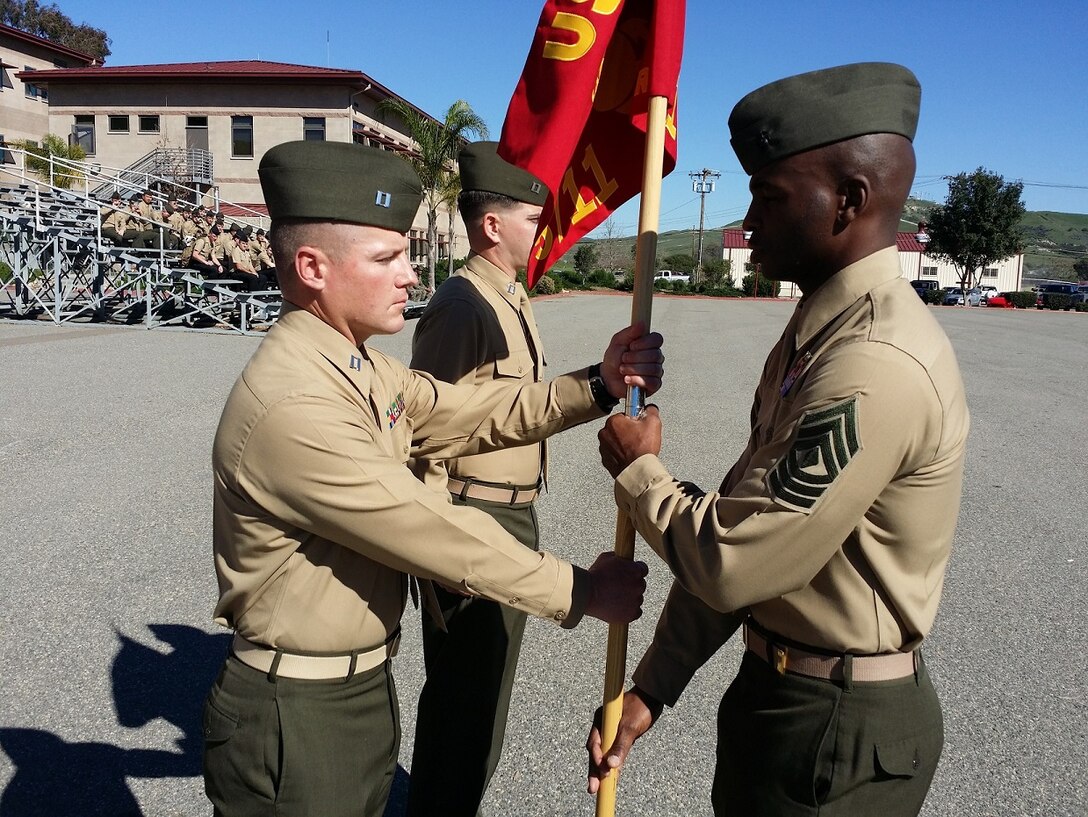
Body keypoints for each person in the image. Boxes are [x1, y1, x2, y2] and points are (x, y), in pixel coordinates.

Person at [203, 140, 664, 817]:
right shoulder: (295, 405)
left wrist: (596, 385)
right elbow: (434, 530)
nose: (410, 277)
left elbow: (465, 410)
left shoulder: (357, 366)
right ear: (312, 268)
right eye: (387, 258)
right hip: (296, 710)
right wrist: (583, 588)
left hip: (356, 689)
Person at [586, 62, 969, 817]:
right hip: (785, 697)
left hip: (834, 731)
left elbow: (736, 558)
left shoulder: (871, 364)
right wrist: (652, 687)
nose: (750, 218)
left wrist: (642, 473)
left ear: (849, 202)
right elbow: (743, 516)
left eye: (769, 194)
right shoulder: (818, 333)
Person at [406, 141, 552, 817]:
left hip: (512, 515)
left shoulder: (509, 297)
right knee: (464, 705)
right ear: (493, 225)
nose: (541, 228)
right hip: (473, 518)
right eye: (532, 217)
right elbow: (422, 428)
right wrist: (436, 548)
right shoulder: (463, 304)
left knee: (486, 700)